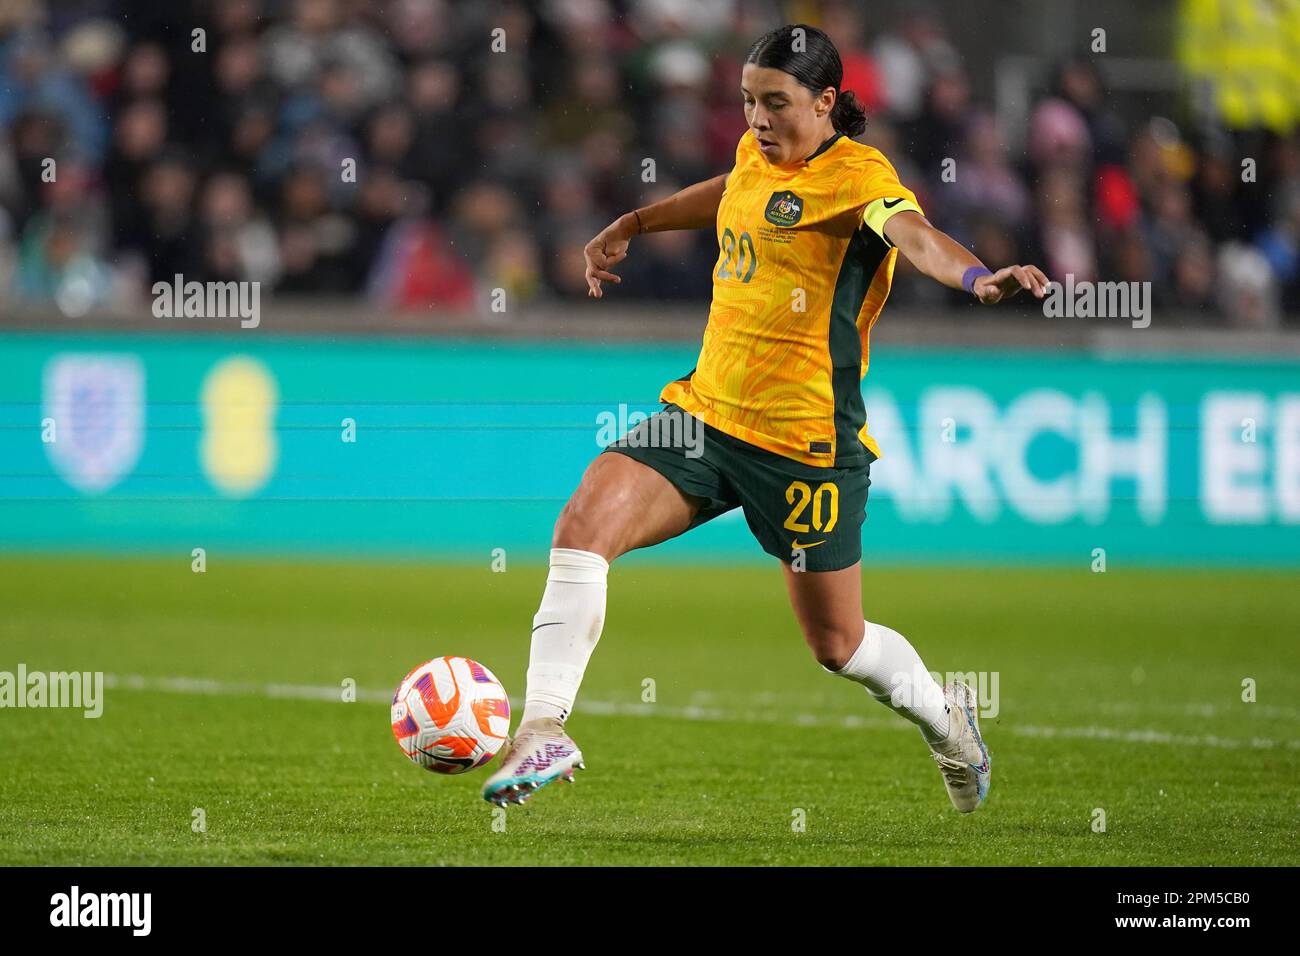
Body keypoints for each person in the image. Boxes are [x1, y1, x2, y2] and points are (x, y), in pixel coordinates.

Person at [483, 24, 1048, 813]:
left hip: (805, 449)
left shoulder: (859, 177)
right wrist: (636, 224)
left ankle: (948, 718)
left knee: (838, 646)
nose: (757, 118)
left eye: (776, 103)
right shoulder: (760, 154)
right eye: (748, 100)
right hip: (705, 416)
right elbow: (730, 193)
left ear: (825, 101)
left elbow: (915, 238)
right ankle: (542, 726)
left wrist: (980, 278)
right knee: (582, 525)